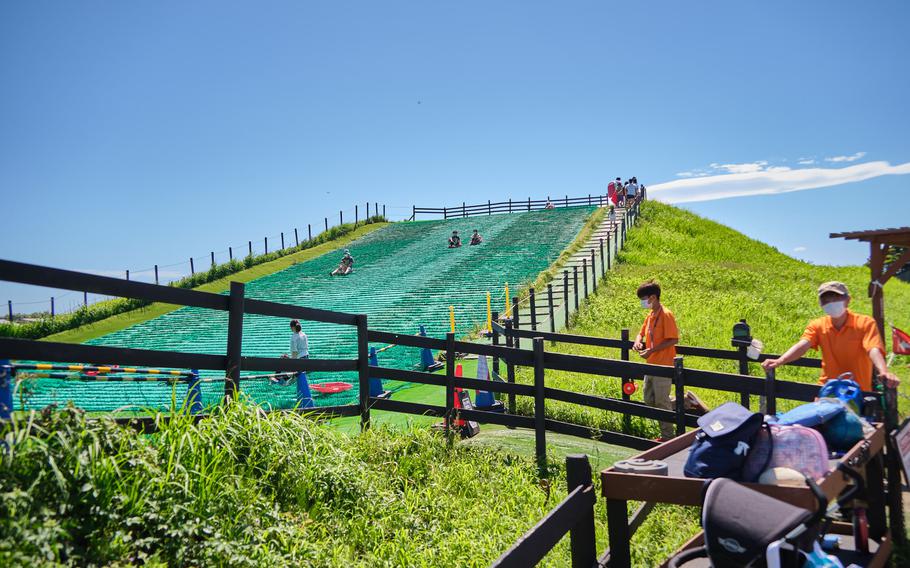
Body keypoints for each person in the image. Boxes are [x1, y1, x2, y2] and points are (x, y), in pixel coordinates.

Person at [761, 281, 899, 391]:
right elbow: (803, 345)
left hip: (857, 392)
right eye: (826, 299)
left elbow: (873, 349)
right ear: (821, 303)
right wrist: (780, 361)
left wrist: (884, 371)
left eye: (836, 297)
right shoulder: (818, 325)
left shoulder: (865, 323)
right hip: (827, 390)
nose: (831, 302)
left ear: (848, 300)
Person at [632, 280, 680, 440]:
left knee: (660, 402)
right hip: (650, 364)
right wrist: (637, 341)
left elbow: (673, 339)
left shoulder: (666, 314)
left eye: (643, 298)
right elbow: (641, 332)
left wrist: (651, 350)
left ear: (653, 297)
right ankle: (683, 402)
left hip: (664, 365)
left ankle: (667, 437)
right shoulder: (650, 315)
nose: (642, 302)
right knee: (649, 400)